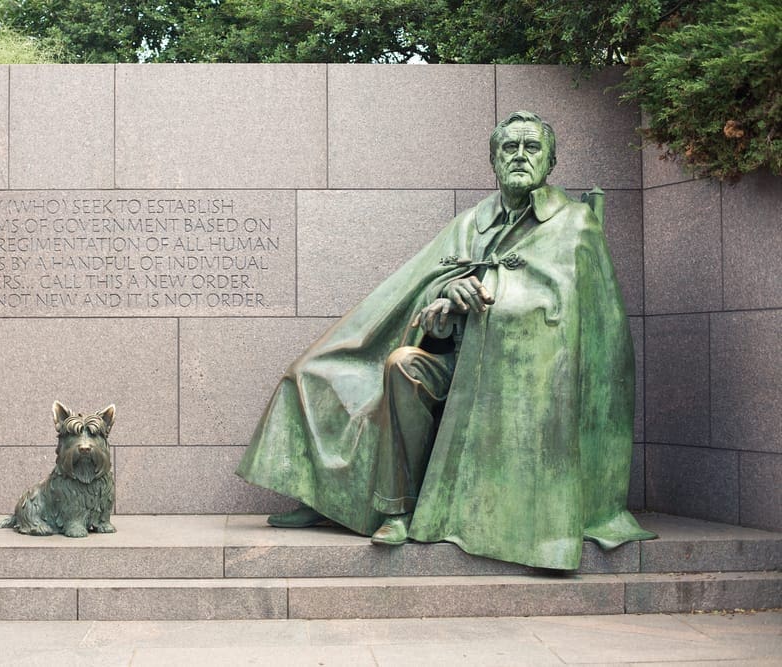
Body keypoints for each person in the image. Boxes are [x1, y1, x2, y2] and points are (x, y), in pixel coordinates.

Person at [236, 111, 655, 570]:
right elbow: (425, 287)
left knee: (402, 365)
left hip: (520, 375)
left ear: (550, 160)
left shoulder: (574, 223)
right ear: (493, 161)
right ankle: (365, 503)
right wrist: (444, 296)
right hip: (455, 360)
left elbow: (568, 314)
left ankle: (409, 511)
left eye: (530, 147)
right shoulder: (471, 222)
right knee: (366, 366)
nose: (519, 156)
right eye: (508, 148)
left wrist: (488, 292)